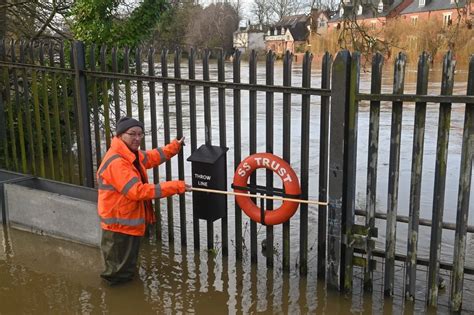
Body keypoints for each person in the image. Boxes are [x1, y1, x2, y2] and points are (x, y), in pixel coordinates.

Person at [97, 116, 190, 285]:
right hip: (118, 227)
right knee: (117, 274)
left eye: (140, 134)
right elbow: (137, 192)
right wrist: (176, 186)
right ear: (119, 135)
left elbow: (152, 157)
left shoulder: (130, 154)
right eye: (132, 134)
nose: (137, 138)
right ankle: (116, 301)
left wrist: (174, 147)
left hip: (125, 222)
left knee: (125, 268)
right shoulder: (117, 162)